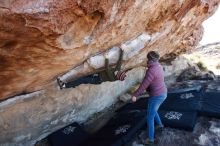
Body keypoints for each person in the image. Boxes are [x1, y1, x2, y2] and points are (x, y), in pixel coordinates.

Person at [131, 51, 167, 145]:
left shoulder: (151, 70)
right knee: (153, 111)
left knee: (150, 116)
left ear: (150, 59)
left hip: (156, 96)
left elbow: (143, 85)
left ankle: (150, 140)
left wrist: (135, 95)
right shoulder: (159, 66)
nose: (147, 61)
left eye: (147, 59)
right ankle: (159, 125)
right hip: (163, 93)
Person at [57, 48, 126, 89]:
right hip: (96, 75)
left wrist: (107, 58)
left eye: (117, 73)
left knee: (82, 80)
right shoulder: (118, 70)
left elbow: (107, 69)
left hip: (97, 80)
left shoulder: (112, 78)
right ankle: (72, 85)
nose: (117, 72)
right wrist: (122, 50)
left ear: (117, 76)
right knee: (81, 78)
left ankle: (64, 85)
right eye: (119, 72)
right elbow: (120, 61)